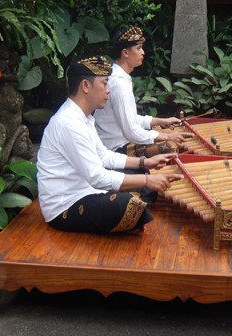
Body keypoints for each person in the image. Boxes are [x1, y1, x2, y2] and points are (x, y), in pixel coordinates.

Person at [36, 56, 183, 235]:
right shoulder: (69, 123)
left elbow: (104, 156)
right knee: (131, 204)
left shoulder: (84, 118)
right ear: (85, 86)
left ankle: (124, 221)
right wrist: (148, 180)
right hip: (64, 207)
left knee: (139, 191)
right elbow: (96, 177)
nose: (108, 91)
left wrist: (145, 163)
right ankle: (124, 221)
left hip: (88, 191)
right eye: (104, 84)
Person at [94, 26, 193, 158]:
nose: (143, 52)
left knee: (174, 139)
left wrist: (162, 121)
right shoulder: (118, 82)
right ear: (125, 53)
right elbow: (131, 131)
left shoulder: (121, 77)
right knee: (170, 146)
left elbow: (131, 120)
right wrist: (168, 136)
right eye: (139, 48)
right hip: (114, 148)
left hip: (122, 141)